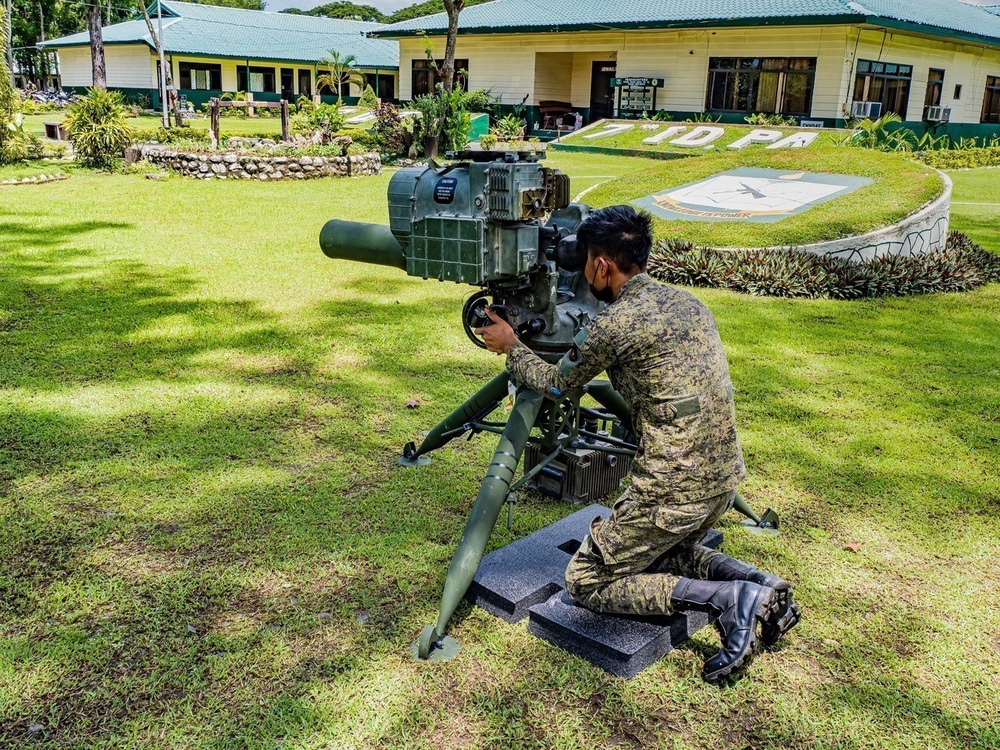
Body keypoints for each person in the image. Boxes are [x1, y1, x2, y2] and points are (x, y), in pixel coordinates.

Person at [476, 205, 800, 683]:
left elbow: (556, 383)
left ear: (602, 265)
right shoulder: (689, 303)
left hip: (671, 492)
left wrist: (511, 346)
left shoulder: (614, 326)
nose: (583, 270)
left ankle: (730, 601)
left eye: (586, 260)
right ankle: (757, 583)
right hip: (723, 482)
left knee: (587, 579)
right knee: (658, 550)